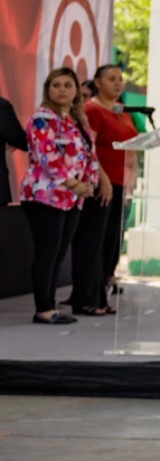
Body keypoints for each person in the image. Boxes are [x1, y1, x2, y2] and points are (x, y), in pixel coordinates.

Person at [21, 68, 99, 325]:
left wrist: (89, 184)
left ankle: (51, 305)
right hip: (44, 195)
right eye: (56, 85)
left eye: (68, 85)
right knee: (48, 251)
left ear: (76, 90)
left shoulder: (76, 119)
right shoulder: (42, 118)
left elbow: (88, 155)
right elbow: (47, 156)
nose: (62, 90)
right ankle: (43, 309)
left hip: (73, 197)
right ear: (48, 89)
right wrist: (73, 183)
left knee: (59, 252)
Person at [73, 64, 137, 313]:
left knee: (111, 242)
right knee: (93, 241)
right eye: (111, 79)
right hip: (101, 185)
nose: (118, 83)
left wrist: (133, 177)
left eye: (120, 79)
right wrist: (104, 179)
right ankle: (86, 299)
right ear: (97, 82)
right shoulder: (92, 110)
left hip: (122, 183)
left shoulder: (123, 111)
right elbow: (89, 148)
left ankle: (101, 297)